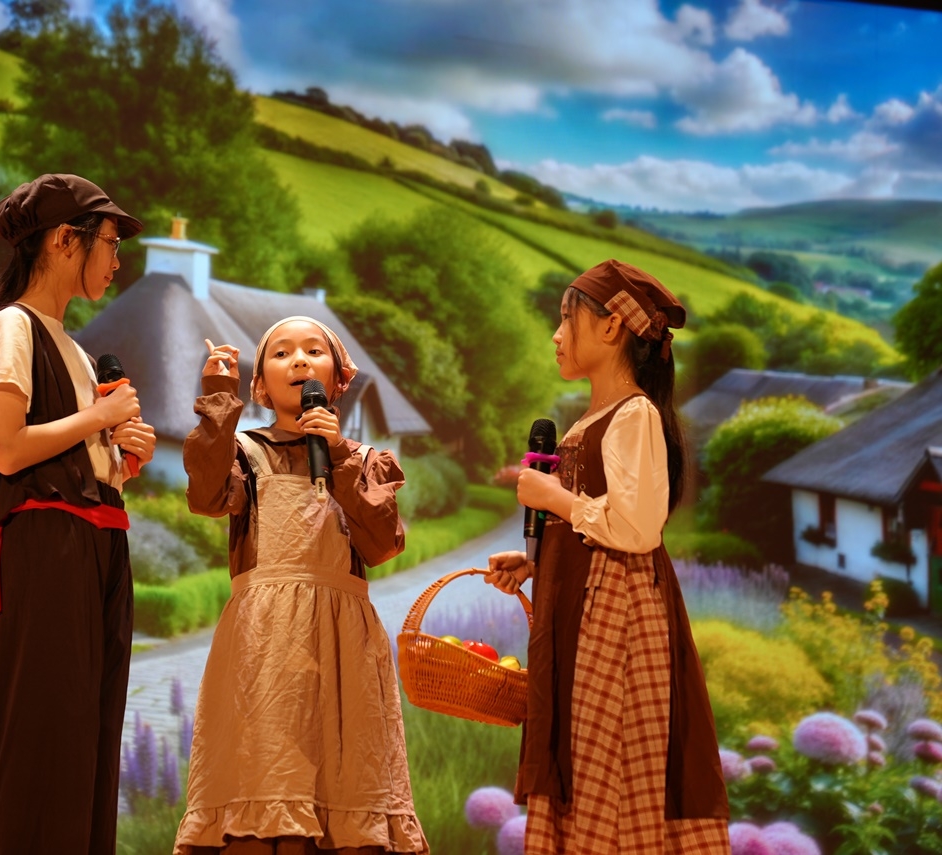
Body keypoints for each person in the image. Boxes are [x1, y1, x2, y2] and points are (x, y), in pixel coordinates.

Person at [485, 259, 729, 853]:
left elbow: (638, 528)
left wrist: (552, 497)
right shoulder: (590, 421)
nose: (556, 336)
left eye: (565, 320)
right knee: (582, 755)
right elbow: (602, 523)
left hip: (615, 624)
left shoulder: (634, 413)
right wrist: (540, 560)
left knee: (611, 760)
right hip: (587, 610)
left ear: (612, 327)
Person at [174, 316, 429, 855]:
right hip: (262, 644)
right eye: (282, 352)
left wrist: (336, 456)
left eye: (314, 350)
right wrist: (218, 399)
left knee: (346, 776)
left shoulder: (363, 460)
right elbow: (206, 495)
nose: (299, 360)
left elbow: (382, 544)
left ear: (338, 377)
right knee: (265, 770)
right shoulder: (244, 452)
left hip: (344, 645)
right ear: (261, 384)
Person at [0, 173, 157, 853]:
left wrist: (121, 460)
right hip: (45, 550)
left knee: (90, 741)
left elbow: (75, 460)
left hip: (99, 549)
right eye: (110, 242)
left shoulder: (76, 350)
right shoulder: (11, 326)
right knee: (43, 738)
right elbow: (7, 449)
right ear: (62, 240)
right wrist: (100, 418)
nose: (116, 261)